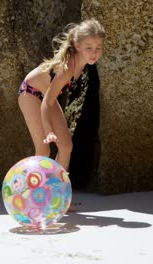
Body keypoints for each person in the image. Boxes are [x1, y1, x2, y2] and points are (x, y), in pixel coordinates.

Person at [18, 18, 105, 172]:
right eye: (89, 48)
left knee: (66, 146)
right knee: (44, 150)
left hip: (46, 95)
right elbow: (47, 103)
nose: (94, 53)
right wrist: (49, 130)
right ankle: (33, 189)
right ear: (78, 46)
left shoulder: (81, 65)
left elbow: (50, 99)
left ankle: (59, 189)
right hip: (30, 93)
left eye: (98, 48)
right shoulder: (67, 69)